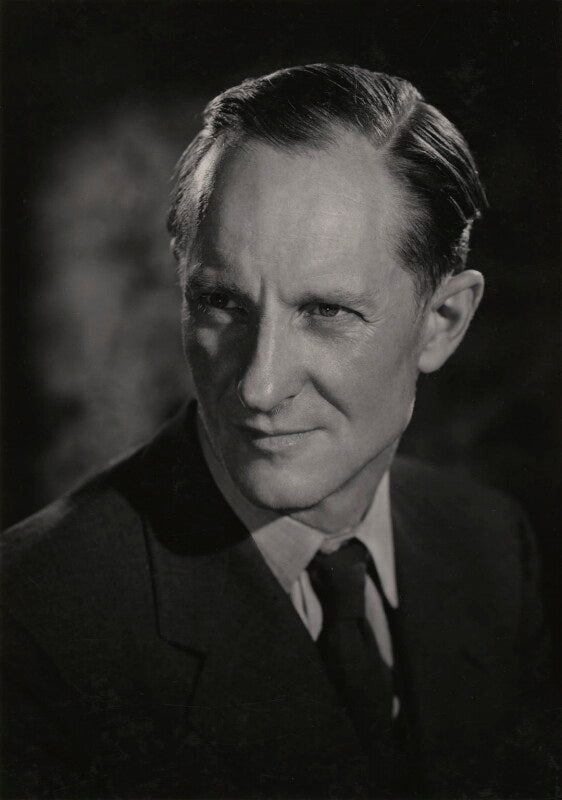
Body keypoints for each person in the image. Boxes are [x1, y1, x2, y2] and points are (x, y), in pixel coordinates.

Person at [1, 64, 556, 799]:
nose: (259, 386)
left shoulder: (488, 544)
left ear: (443, 322)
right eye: (222, 301)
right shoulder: (32, 621)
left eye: (326, 312)